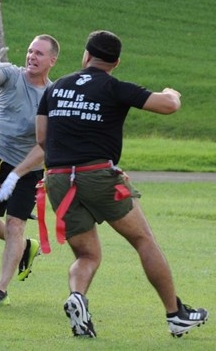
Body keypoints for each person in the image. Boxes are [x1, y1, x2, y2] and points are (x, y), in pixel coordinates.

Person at [36, 30, 209, 338]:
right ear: (115, 62)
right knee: (144, 240)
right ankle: (176, 314)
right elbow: (167, 106)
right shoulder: (114, 86)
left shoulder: (57, 87)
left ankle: (78, 297)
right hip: (97, 175)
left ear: (86, 55)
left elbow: (41, 138)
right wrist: (173, 93)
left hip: (58, 180)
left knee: (86, 256)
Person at [0, 34, 59, 307]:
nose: (32, 57)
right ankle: (24, 246)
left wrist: (17, 174)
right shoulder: (11, 74)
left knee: (14, 224)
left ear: (52, 61)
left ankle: (0, 290)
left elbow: (45, 145)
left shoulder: (53, 94)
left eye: (39, 54)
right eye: (30, 51)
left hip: (29, 170)